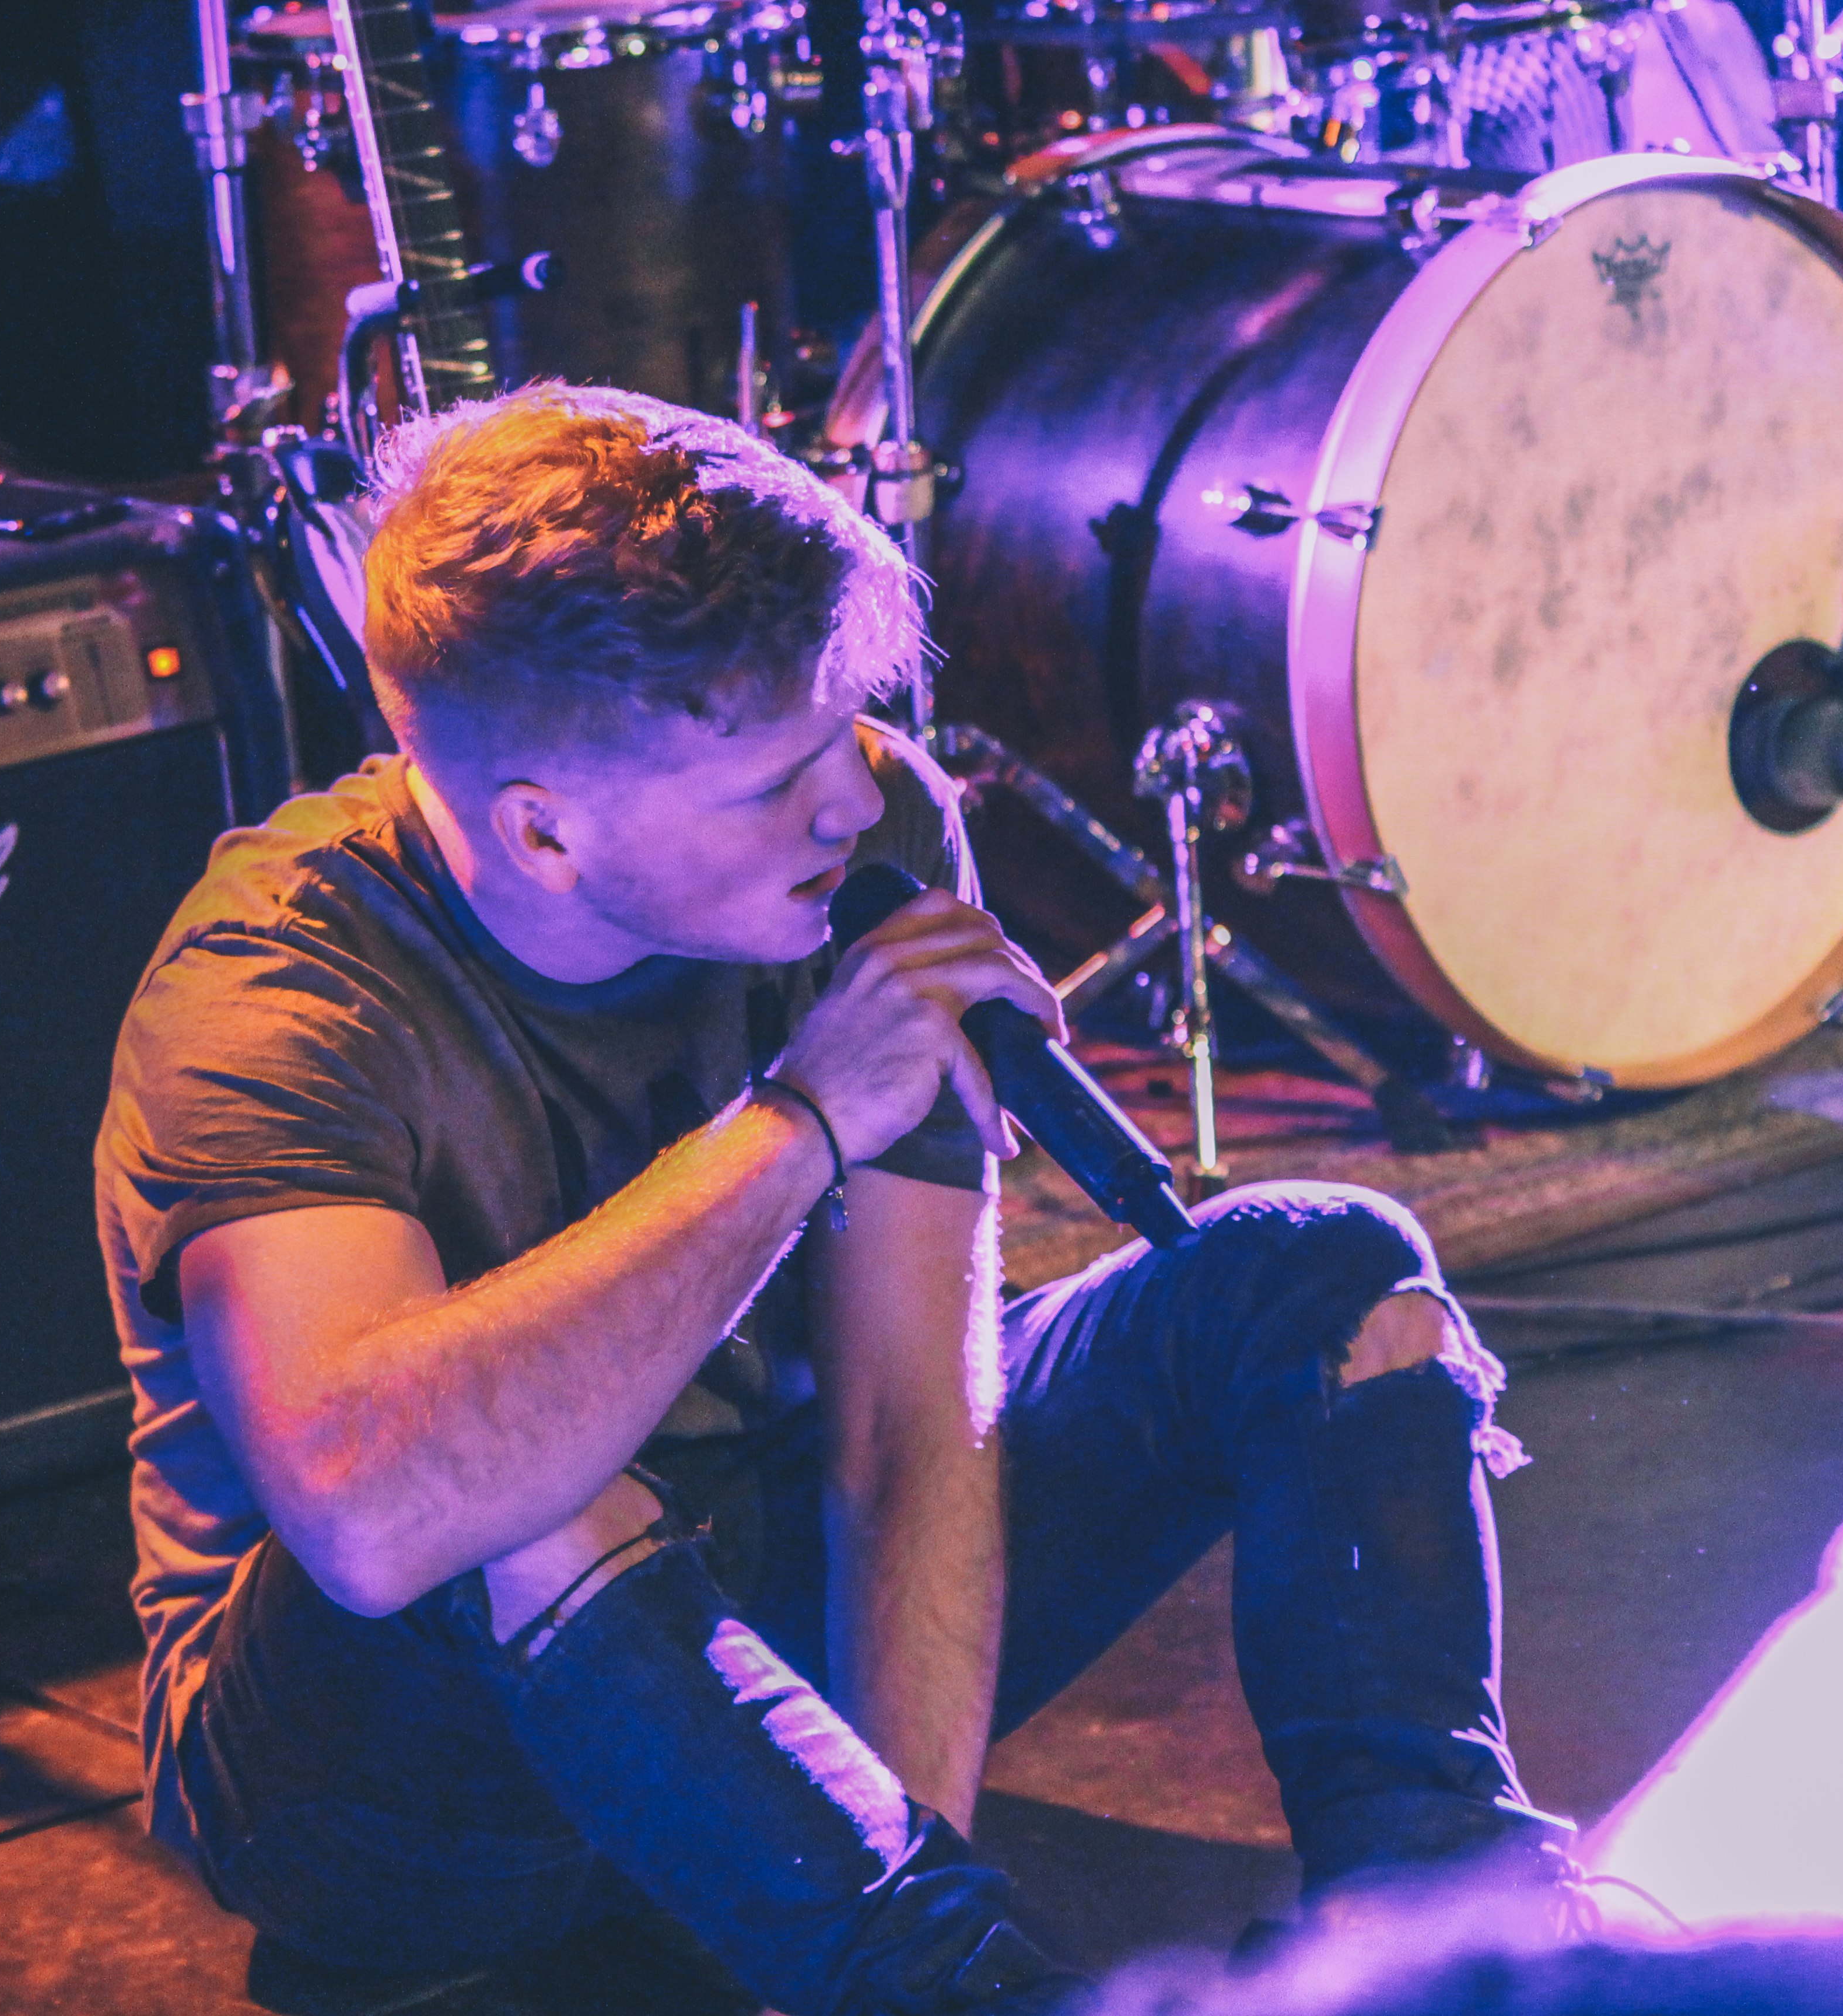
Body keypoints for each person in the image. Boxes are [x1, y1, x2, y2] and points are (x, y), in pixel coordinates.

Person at [96, 383, 1551, 2016]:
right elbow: (373, 1517)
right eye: (777, 778)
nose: (854, 802)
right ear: (545, 836)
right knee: (511, 1483)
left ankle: (1460, 1945)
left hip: (740, 1608)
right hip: (386, 1793)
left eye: (845, 730)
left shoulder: (873, 831)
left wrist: (880, 1866)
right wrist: (800, 1125)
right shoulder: (276, 994)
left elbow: (907, 1426)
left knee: (1317, 1270)